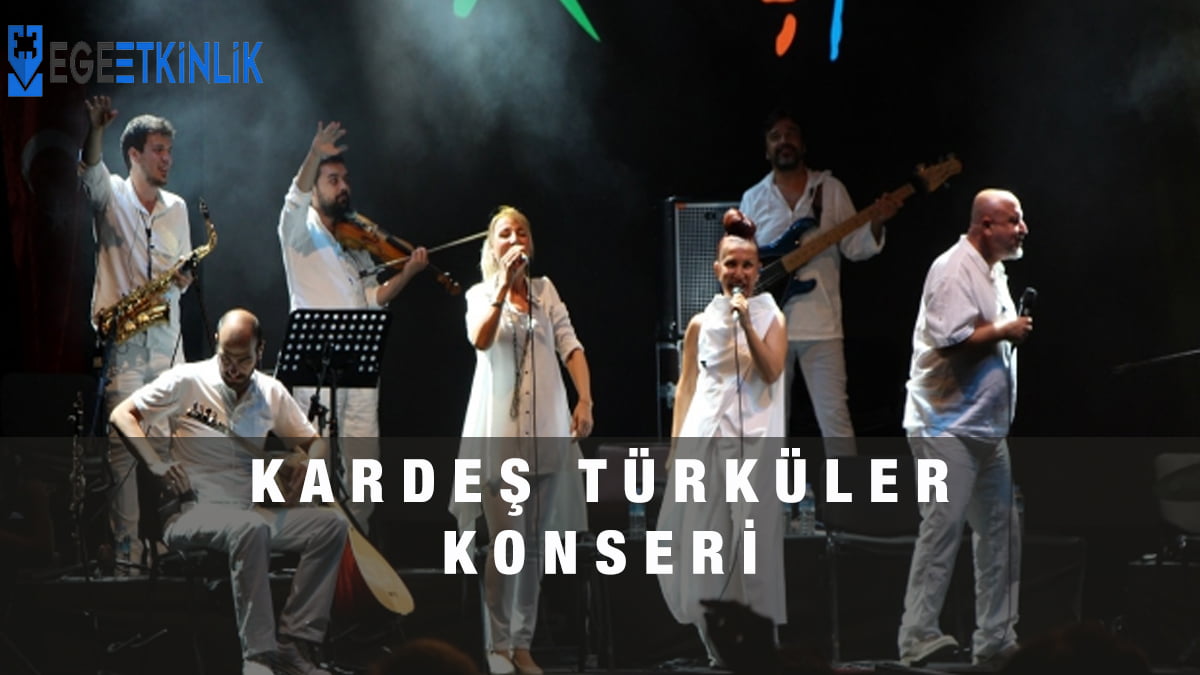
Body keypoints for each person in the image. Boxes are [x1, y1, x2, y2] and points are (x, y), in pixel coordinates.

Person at [109, 308, 347, 675]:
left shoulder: (270, 391)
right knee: (251, 528)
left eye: (244, 360)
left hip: (251, 512)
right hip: (192, 513)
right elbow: (122, 415)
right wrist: (155, 464)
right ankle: (258, 657)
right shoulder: (187, 379)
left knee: (331, 526)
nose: (233, 370)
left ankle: (294, 641)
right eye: (226, 358)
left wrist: (309, 465)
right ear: (216, 344)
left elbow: (314, 442)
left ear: (260, 351)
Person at [450, 206, 593, 675]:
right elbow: (480, 339)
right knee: (507, 543)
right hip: (502, 435)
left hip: (547, 429)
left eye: (522, 233)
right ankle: (497, 643)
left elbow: (571, 345)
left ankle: (522, 643)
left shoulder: (545, 291)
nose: (515, 240)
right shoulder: (479, 294)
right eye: (505, 234)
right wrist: (501, 290)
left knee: (533, 545)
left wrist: (585, 400)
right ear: (492, 247)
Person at [897, 189, 1032, 667]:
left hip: (985, 428)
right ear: (985, 226)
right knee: (943, 528)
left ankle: (996, 637)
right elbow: (951, 341)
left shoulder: (994, 271)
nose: (1023, 229)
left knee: (1002, 532)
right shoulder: (953, 269)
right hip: (944, 426)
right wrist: (1006, 330)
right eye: (1014, 221)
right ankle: (916, 636)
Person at [277, 121, 428, 533]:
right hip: (315, 366)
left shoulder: (353, 243)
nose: (343, 187)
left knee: (365, 468)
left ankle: (356, 547)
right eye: (333, 180)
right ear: (315, 187)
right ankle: (313, 544)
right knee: (314, 466)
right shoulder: (297, 232)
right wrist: (313, 155)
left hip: (358, 366)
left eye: (345, 180)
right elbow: (293, 199)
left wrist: (408, 273)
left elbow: (371, 297)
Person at [657, 210, 789, 665]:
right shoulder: (700, 323)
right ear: (717, 269)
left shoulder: (771, 316)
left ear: (758, 270)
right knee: (706, 541)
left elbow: (771, 370)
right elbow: (687, 388)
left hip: (753, 446)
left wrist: (746, 323)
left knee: (753, 544)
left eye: (747, 265)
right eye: (731, 264)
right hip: (707, 440)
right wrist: (677, 448)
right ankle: (717, 646)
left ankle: (763, 646)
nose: (739, 272)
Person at [738, 108, 900, 454]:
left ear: (803, 144)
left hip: (822, 326)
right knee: (768, 426)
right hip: (769, 328)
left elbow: (855, 247)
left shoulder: (830, 189)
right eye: (775, 136)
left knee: (835, 421)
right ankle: (768, 491)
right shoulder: (753, 198)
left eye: (791, 134)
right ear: (766, 150)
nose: (784, 141)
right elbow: (743, 260)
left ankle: (844, 490)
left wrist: (877, 221)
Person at [81, 95, 193, 570]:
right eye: (158, 150)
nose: (167, 159)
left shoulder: (178, 208)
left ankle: (172, 551)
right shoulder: (111, 195)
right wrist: (95, 129)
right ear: (134, 154)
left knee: (169, 452)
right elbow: (89, 171)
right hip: (124, 348)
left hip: (167, 348)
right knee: (124, 457)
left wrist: (182, 278)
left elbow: (181, 275)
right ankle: (127, 561)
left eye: (169, 150)